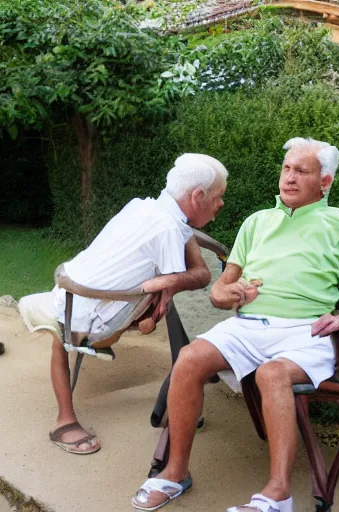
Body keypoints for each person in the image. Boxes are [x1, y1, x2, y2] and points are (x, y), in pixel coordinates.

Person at [132, 137, 339, 512]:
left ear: (325, 183)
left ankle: (278, 494)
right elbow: (219, 290)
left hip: (306, 331)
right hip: (249, 325)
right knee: (190, 358)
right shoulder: (257, 222)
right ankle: (174, 472)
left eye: (301, 171)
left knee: (272, 374)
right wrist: (229, 294)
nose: (289, 178)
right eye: (286, 169)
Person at [18, 153, 228, 455]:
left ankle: (175, 396)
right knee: (174, 305)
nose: (221, 204)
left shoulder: (142, 206)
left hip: (68, 295)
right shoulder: (168, 229)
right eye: (218, 197)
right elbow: (197, 277)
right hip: (92, 321)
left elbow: (185, 270)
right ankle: (67, 420)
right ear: (197, 196)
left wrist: (166, 282)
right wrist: (165, 286)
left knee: (164, 298)